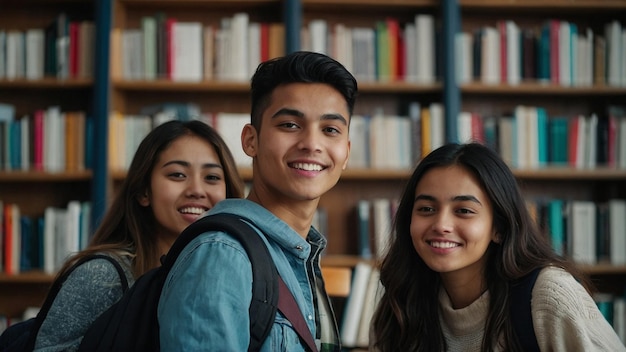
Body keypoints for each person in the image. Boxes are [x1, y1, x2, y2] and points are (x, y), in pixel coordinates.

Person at [158, 51, 357, 351]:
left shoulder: (301, 256)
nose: (312, 144)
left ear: (346, 152)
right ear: (251, 140)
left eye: (330, 130)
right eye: (290, 125)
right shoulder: (222, 255)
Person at [371, 142, 626, 352]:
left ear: (499, 228)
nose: (441, 224)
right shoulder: (400, 303)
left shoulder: (548, 295)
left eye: (464, 211)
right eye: (426, 209)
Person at [33, 120, 245, 351]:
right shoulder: (102, 276)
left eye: (212, 177)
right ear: (144, 191)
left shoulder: (228, 276)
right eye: (177, 174)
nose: (196, 189)